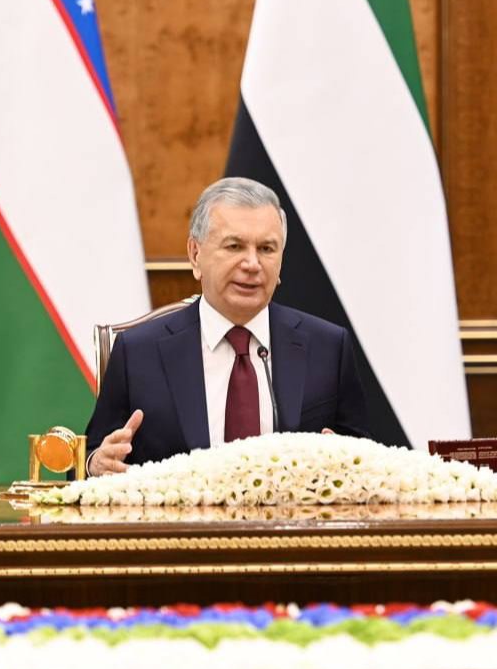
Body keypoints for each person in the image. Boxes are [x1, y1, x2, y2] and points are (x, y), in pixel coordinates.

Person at [83, 177, 369, 475]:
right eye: (234, 246)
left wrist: (349, 459)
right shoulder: (137, 352)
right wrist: (97, 464)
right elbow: (88, 458)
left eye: (266, 249)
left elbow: (368, 460)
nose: (252, 264)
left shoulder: (328, 347)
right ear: (195, 254)